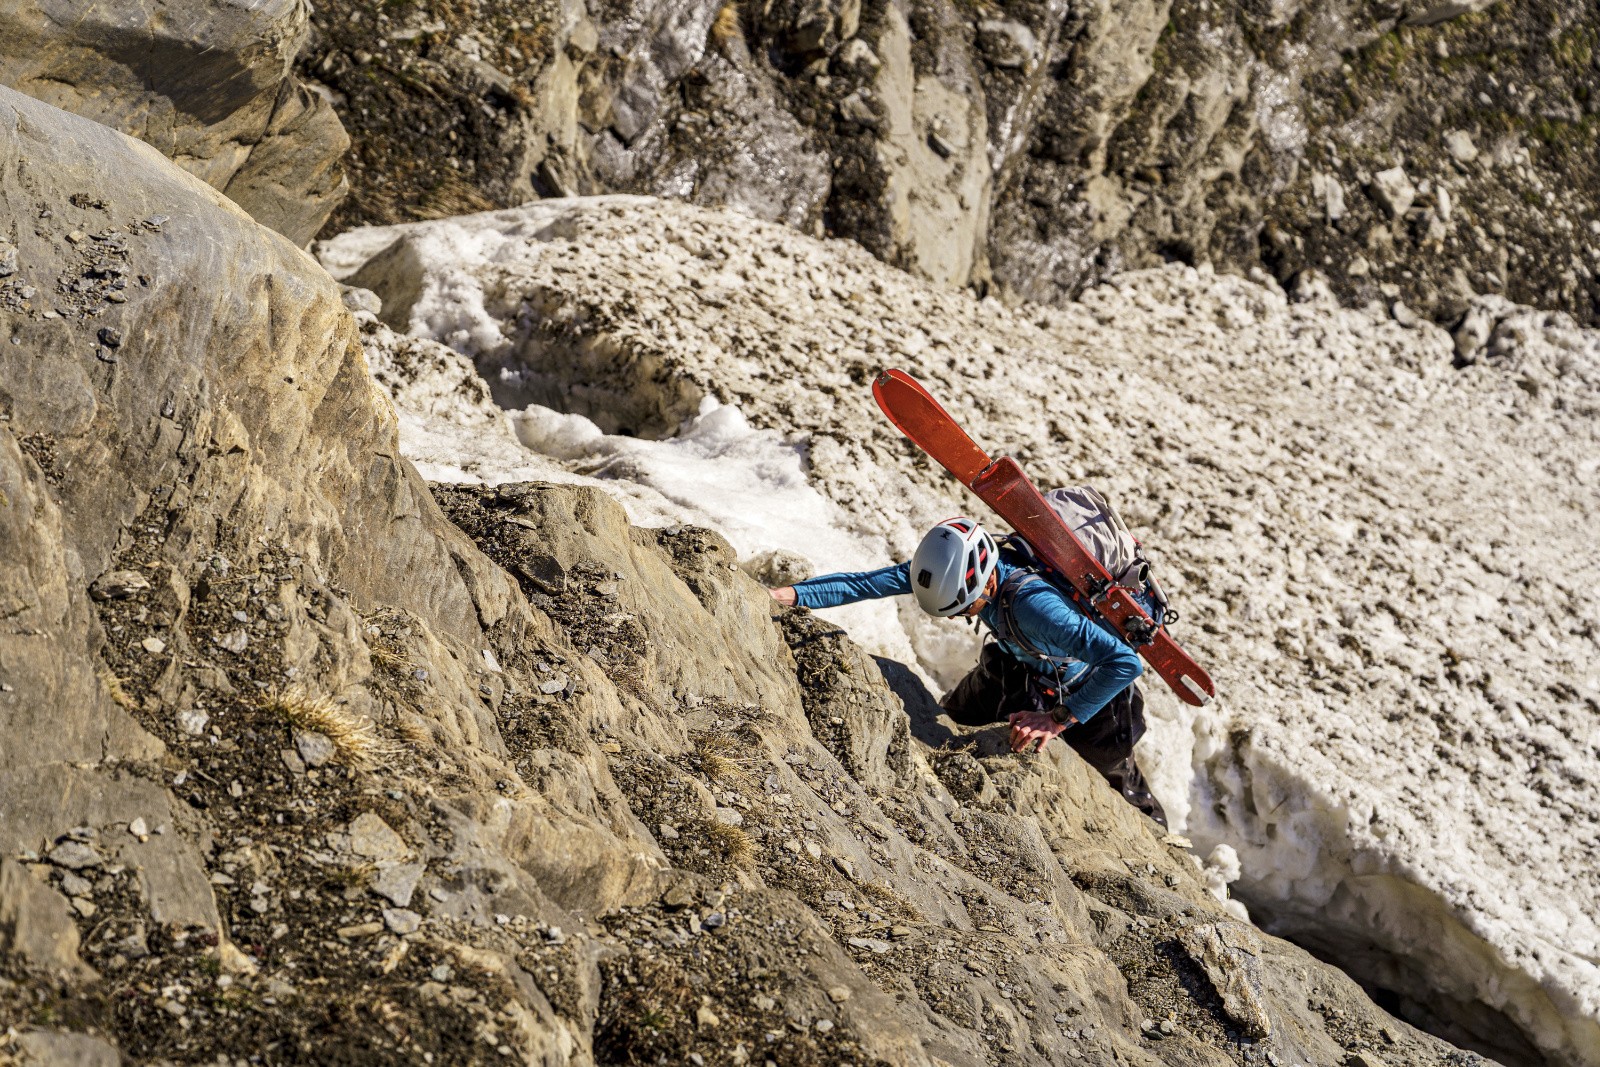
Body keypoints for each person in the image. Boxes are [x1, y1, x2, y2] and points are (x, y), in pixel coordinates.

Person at [769, 517, 1166, 825]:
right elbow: (866, 584)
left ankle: (1161, 833)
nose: (959, 617)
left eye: (963, 608)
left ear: (986, 580)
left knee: (1117, 776)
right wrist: (792, 594)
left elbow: (1124, 664)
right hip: (1020, 665)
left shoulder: (1038, 609)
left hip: (1094, 697)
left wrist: (1057, 719)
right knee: (952, 717)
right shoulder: (948, 571)